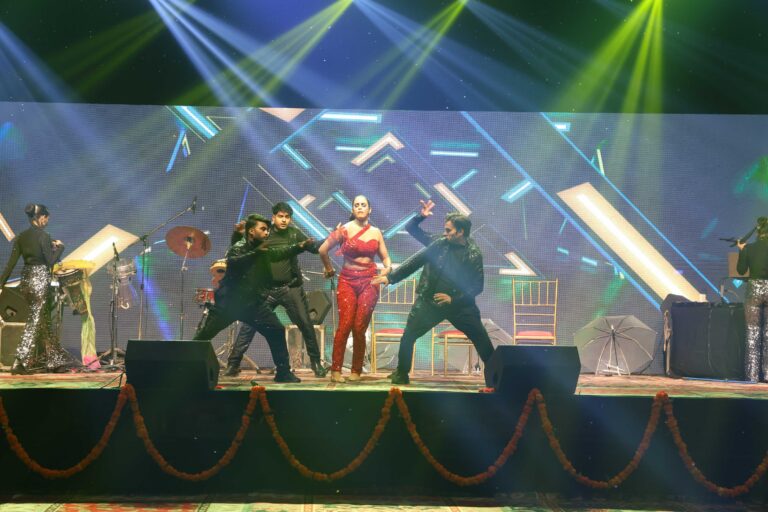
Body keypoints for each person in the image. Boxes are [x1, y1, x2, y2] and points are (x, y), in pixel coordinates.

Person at [372, 200, 495, 385]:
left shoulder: (473, 253)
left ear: (460, 232)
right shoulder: (439, 243)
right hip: (430, 301)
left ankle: (496, 378)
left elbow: (477, 286)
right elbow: (416, 260)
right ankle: (402, 373)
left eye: (448, 230)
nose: (445, 233)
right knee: (409, 335)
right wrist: (391, 278)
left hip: (459, 305)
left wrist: (453, 299)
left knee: (481, 339)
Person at [193, 214, 312, 383]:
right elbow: (234, 261)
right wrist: (255, 251)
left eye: (267, 230)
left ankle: (283, 373)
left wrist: (300, 246)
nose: (267, 232)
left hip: (252, 304)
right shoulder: (240, 247)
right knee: (204, 336)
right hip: (229, 304)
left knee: (276, 330)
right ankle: (182, 367)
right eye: (263, 229)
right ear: (251, 231)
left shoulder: (262, 249)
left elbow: (280, 253)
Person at [227, 202, 328, 377]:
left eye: (287, 217)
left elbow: (313, 247)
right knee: (249, 325)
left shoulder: (294, 233)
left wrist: (333, 237)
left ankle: (316, 364)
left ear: (290, 219)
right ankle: (233, 364)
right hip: (266, 289)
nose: (284, 220)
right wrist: (237, 233)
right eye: (280, 216)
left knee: (306, 324)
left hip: (290, 287)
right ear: (273, 217)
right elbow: (242, 249)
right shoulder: (264, 233)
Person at [319, 195, 391, 383]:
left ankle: (356, 371)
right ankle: (335, 370)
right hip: (347, 281)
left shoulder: (376, 232)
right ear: (352, 209)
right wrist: (329, 269)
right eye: (356, 205)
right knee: (345, 325)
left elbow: (385, 258)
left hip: (370, 281)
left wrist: (387, 269)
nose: (360, 207)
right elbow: (322, 250)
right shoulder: (344, 230)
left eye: (363, 205)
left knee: (360, 327)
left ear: (369, 209)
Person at [0, 204, 74, 374]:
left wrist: (1, 284)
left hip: (26, 281)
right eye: (46, 218)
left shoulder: (21, 237)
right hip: (40, 280)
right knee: (35, 319)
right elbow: (50, 261)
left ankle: (55, 360)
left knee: (44, 320)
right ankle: (19, 361)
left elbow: (11, 263)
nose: (47, 221)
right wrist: (60, 247)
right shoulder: (44, 236)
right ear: (40, 217)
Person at [737, 216, 768, 383]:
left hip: (754, 290)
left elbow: (741, 271)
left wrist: (741, 251)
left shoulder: (749, 248)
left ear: (758, 232)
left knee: (752, 332)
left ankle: (752, 376)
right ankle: (767, 374)